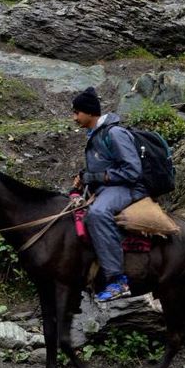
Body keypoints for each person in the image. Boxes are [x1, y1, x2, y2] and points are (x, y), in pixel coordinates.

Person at [70, 87, 143, 303]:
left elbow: (132, 170)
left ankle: (118, 281)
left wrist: (95, 177)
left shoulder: (114, 133)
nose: (74, 118)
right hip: (107, 188)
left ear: (90, 112)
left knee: (97, 214)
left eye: (77, 113)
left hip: (129, 188)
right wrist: (85, 177)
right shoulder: (95, 135)